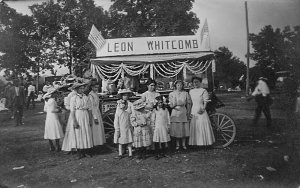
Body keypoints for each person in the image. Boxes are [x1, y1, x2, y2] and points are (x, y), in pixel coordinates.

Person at [62, 82, 93, 159]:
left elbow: (89, 109)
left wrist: (90, 119)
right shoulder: (73, 98)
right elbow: (72, 111)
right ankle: (79, 152)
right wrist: (75, 121)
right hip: (77, 115)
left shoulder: (86, 97)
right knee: (78, 133)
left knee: (86, 132)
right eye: (80, 88)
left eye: (83, 88)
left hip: (85, 115)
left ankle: (86, 151)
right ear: (77, 90)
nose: (82, 90)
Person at [189, 77, 215, 147]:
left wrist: (203, 109)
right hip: (194, 109)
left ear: (200, 82)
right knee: (195, 125)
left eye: (197, 82)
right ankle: (195, 143)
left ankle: (204, 142)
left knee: (202, 125)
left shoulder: (203, 90)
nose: (195, 83)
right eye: (194, 82)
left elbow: (205, 101)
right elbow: (190, 102)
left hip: (201, 109)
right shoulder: (191, 91)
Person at [168, 80, 191, 150]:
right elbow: (170, 105)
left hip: (183, 111)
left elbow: (188, 103)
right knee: (177, 128)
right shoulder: (171, 94)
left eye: (181, 85)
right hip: (175, 111)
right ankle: (177, 144)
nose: (179, 86)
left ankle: (183, 144)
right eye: (178, 85)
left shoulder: (186, 93)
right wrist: (174, 106)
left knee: (183, 128)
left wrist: (188, 112)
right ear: (175, 86)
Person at [88, 83, 106, 147]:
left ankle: (99, 144)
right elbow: (92, 107)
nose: (96, 89)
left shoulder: (95, 94)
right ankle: (95, 144)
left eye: (97, 87)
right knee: (95, 129)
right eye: (95, 87)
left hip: (97, 112)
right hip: (94, 113)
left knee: (99, 129)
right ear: (92, 87)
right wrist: (95, 117)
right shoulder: (90, 95)